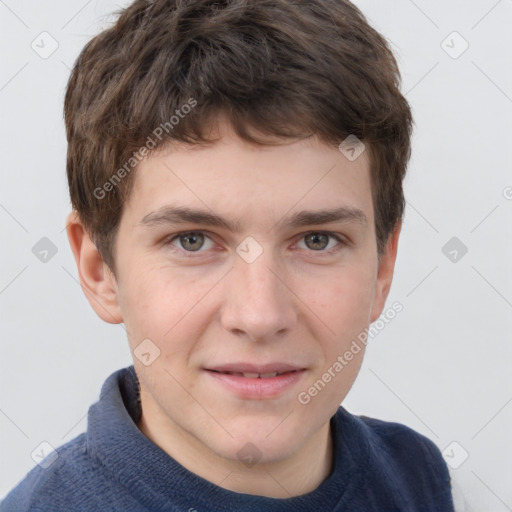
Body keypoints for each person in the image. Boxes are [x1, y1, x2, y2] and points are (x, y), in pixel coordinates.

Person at [2, 0, 455, 510]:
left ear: (382, 267)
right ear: (99, 269)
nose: (260, 316)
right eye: (192, 240)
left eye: (317, 240)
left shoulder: (416, 476)